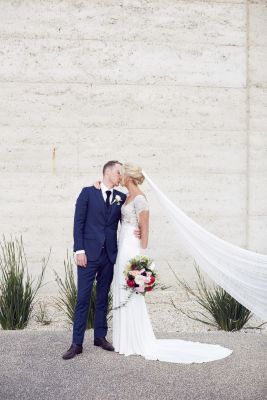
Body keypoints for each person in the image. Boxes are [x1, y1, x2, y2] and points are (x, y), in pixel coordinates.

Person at [97, 163, 233, 363]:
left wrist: (139, 258)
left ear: (129, 178)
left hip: (131, 250)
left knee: (131, 292)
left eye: (122, 174)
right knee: (121, 289)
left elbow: (145, 235)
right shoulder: (125, 197)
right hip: (121, 247)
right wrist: (98, 184)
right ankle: (124, 340)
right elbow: (109, 201)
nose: (119, 177)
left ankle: (135, 341)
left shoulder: (141, 199)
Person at [62, 160, 140, 360]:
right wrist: (79, 250)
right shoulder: (87, 193)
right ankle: (76, 343)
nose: (120, 176)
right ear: (106, 173)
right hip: (88, 255)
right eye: (118, 172)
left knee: (103, 297)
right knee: (83, 298)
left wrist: (137, 229)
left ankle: (100, 336)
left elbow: (134, 208)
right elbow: (78, 222)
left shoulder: (121, 198)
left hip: (109, 256)